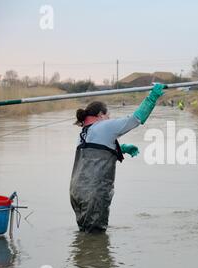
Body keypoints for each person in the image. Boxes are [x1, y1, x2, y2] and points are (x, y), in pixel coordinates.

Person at [70, 83, 166, 233]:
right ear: (101, 115)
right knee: (96, 240)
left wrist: (121, 149)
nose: (110, 118)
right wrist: (152, 97)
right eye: (108, 115)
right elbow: (136, 119)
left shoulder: (84, 132)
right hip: (94, 193)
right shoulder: (104, 125)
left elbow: (95, 157)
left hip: (76, 192)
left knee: (84, 235)